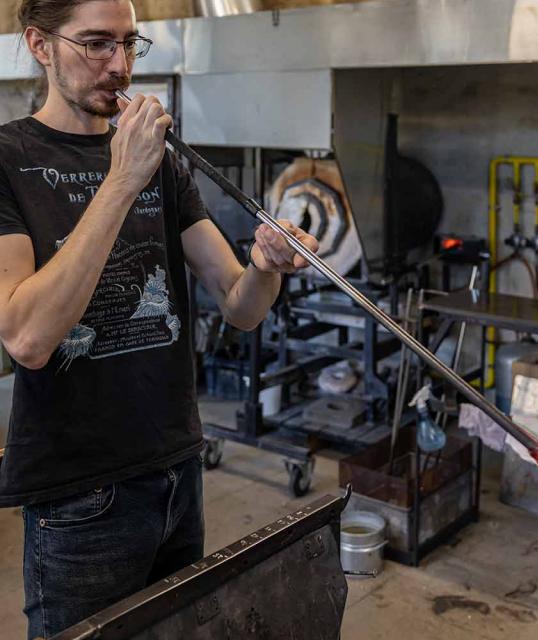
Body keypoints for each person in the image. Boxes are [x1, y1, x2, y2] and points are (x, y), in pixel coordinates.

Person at [0, 1, 319, 637]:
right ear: (39, 44)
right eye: (95, 44)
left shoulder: (165, 163)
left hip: (176, 468)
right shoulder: (9, 159)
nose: (117, 66)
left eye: (128, 44)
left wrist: (265, 264)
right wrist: (121, 179)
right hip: (79, 494)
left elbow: (239, 304)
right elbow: (27, 338)